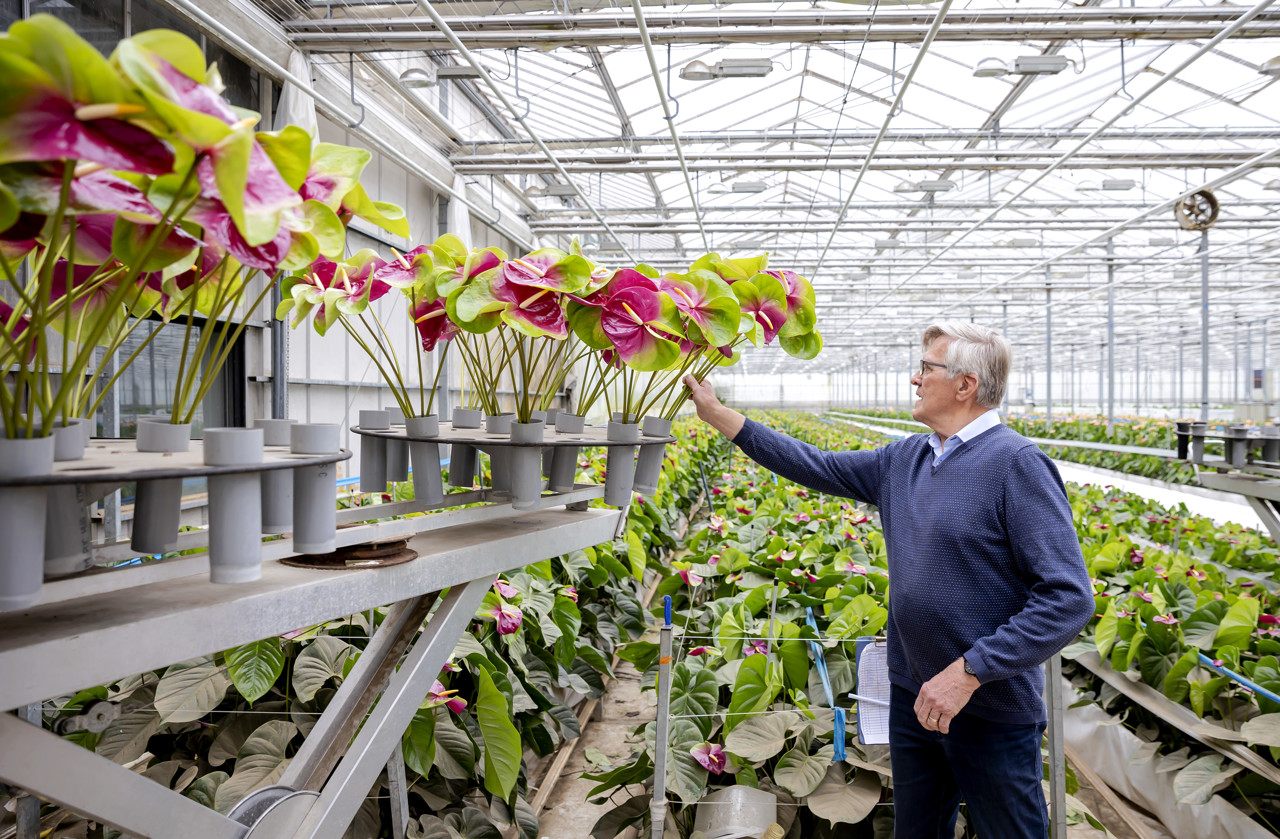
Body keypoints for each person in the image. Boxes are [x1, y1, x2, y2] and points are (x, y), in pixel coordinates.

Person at [683, 321, 1094, 838]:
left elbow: (1069, 598)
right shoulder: (907, 458)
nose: (915, 379)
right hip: (912, 693)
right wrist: (720, 416)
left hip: (986, 705)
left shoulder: (1016, 465)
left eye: (927, 368)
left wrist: (969, 672)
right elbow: (816, 465)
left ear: (965, 384)